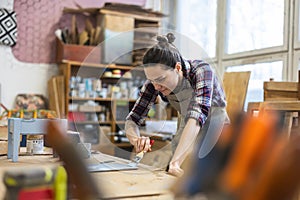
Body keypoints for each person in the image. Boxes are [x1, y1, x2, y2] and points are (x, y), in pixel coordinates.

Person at [125, 32, 230, 177]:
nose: (156, 86)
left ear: (178, 68)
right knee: (174, 171)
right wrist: (136, 139)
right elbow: (132, 119)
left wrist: (176, 162)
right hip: (186, 119)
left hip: (214, 119)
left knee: (208, 166)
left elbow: (197, 116)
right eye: (152, 80)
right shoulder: (154, 83)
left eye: (161, 79)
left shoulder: (201, 71)